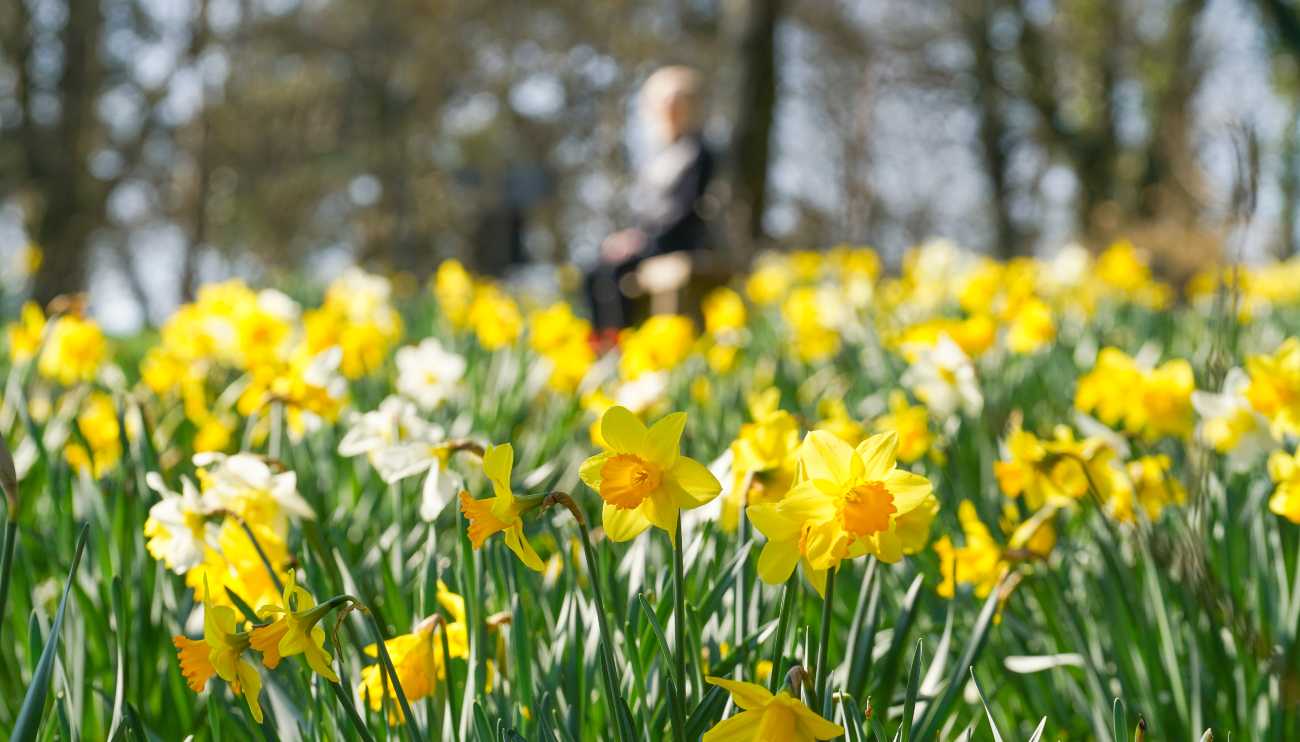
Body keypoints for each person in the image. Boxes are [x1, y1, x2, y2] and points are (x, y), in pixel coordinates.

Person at [585, 66, 715, 339]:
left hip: (678, 239)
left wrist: (642, 240)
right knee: (593, 271)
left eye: (678, 103)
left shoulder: (699, 152)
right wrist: (629, 237)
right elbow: (643, 210)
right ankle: (602, 346)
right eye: (665, 103)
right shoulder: (657, 155)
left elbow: (687, 209)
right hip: (650, 238)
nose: (671, 110)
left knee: (615, 271)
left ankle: (621, 343)